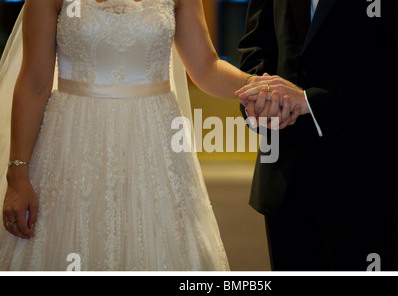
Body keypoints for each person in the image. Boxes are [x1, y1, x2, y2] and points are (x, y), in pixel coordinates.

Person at [0, 0, 297, 271]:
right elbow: (34, 83)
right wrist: (17, 174)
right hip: (72, 145)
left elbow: (206, 68)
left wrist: (257, 87)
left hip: (154, 146)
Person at [235, 0, 398, 271]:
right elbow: (257, 42)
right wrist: (260, 96)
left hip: (368, 172)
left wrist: (311, 101)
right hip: (286, 170)